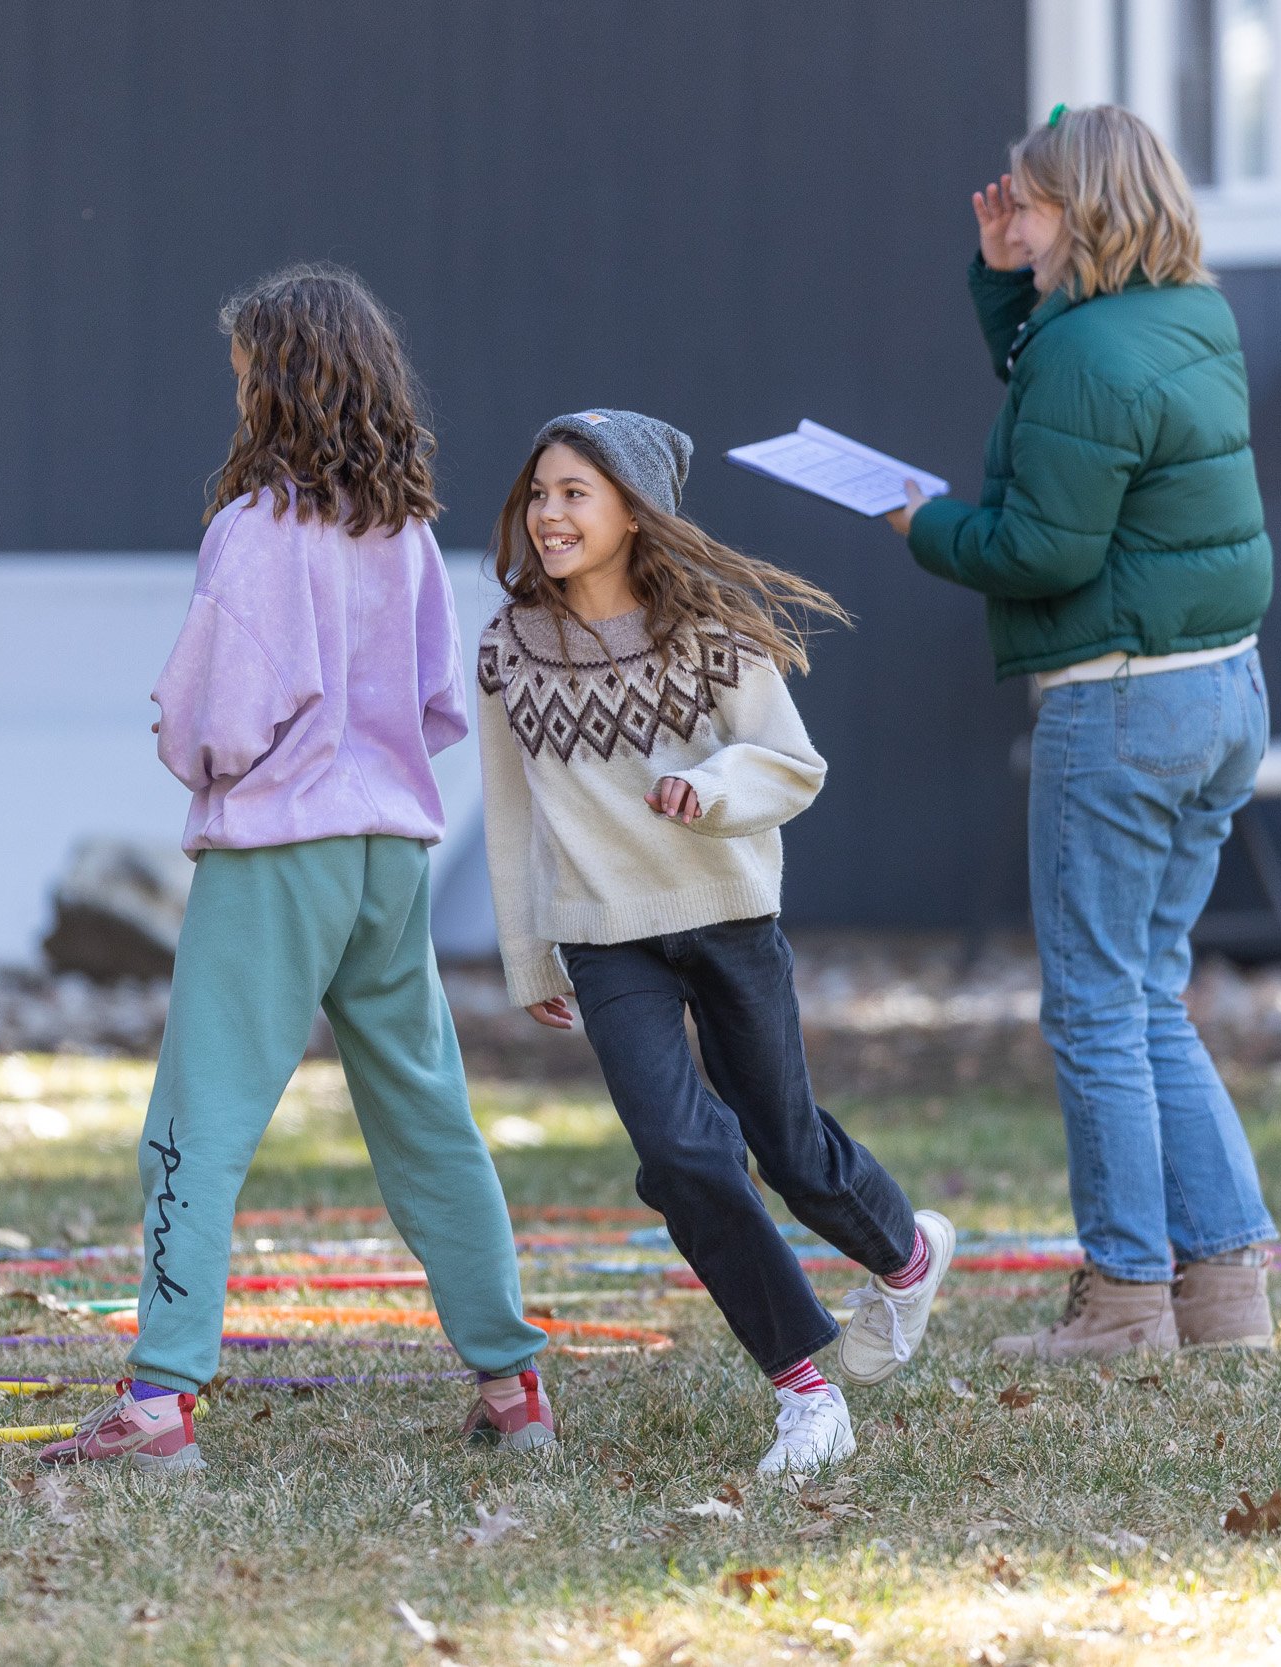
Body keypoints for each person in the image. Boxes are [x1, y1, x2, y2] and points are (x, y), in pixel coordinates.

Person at [39, 265, 553, 1473]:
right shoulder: (405, 528)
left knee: (195, 1122)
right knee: (428, 1116)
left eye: (242, 376)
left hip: (278, 854)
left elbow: (214, 719)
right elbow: (435, 699)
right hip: (390, 853)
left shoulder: (255, 529)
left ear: (277, 382)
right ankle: (513, 1384)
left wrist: (189, 744)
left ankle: (159, 1400)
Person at [480, 409, 956, 1479]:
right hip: (607, 937)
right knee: (683, 1155)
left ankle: (907, 1253)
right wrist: (528, 951)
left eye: (574, 493)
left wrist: (713, 787)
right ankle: (805, 1391)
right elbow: (510, 811)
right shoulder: (510, 645)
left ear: (634, 510)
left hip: (728, 914)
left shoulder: (708, 631)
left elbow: (790, 762)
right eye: (539, 493)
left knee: (789, 1149)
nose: (549, 513)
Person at [886, 105, 1278, 1361]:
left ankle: (1123, 1300)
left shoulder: (1085, 349)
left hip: (1119, 705)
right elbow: (1061, 396)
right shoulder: (1188, 315)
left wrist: (921, 523)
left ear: (1081, 210)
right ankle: (1224, 1293)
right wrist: (1002, 273)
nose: (1008, 210)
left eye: (1026, 198)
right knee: (1149, 992)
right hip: (1223, 692)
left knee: (1098, 1009)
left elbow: (1040, 547)